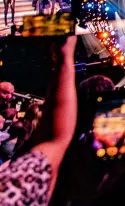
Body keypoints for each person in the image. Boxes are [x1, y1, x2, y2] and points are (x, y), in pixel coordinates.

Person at [0, 36, 77, 205]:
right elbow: (57, 141)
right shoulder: (11, 190)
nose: (9, 97)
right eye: (6, 93)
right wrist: (64, 56)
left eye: (11, 94)